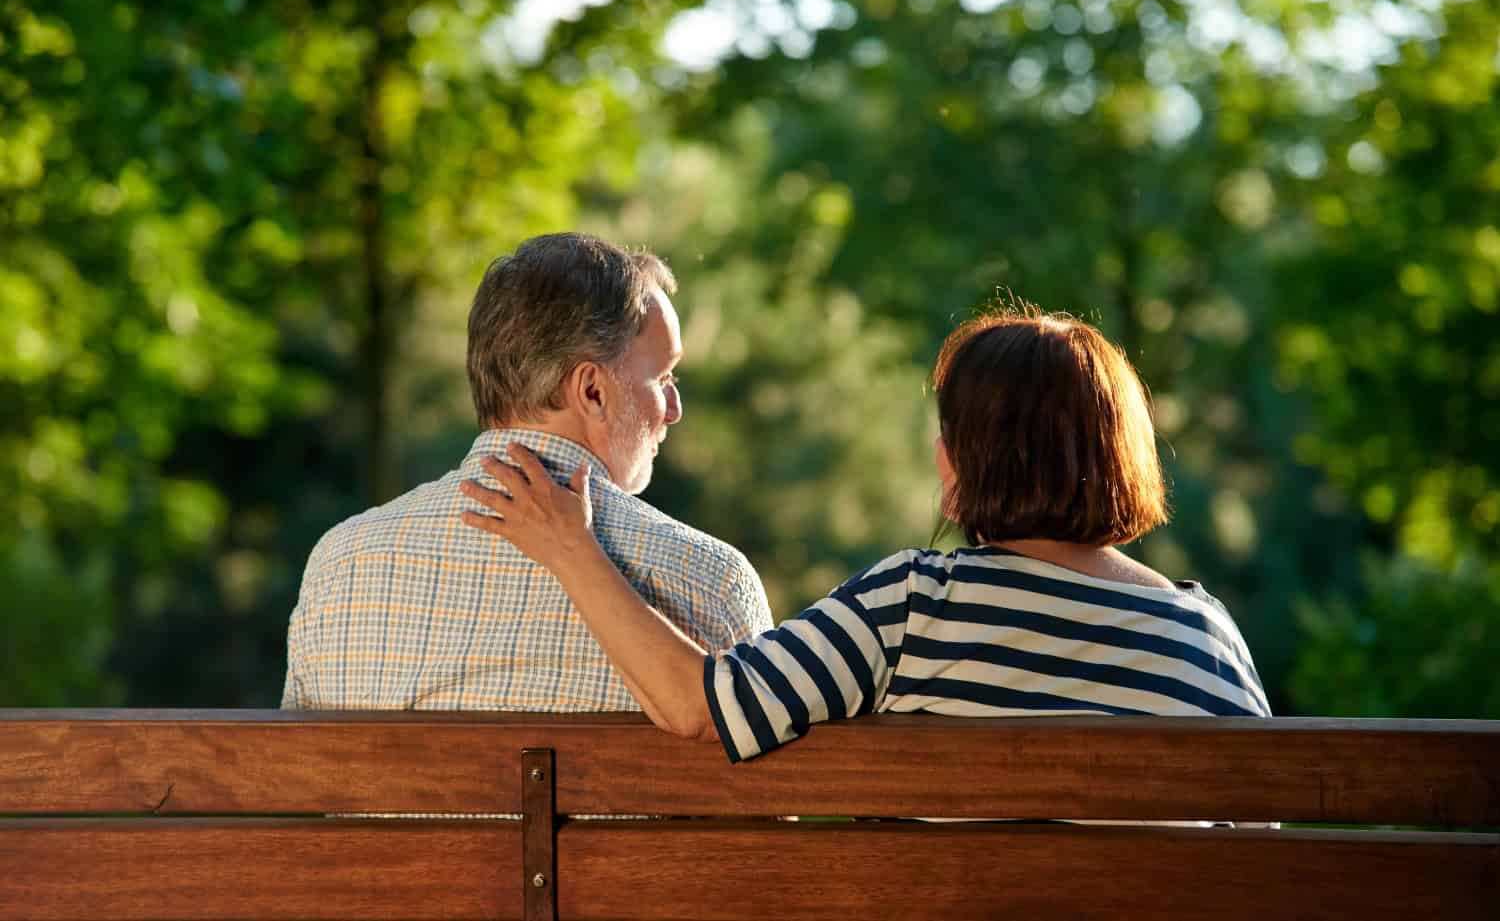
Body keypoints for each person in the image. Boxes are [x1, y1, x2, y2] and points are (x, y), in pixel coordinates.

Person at [458, 305, 1270, 761]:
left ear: (968, 458)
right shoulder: (1206, 637)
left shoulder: (916, 606)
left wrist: (573, 547)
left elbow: (703, 705)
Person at [282, 232, 774, 710]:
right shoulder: (711, 581)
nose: (674, 408)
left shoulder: (339, 564)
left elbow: (295, 760)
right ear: (592, 392)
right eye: (662, 376)